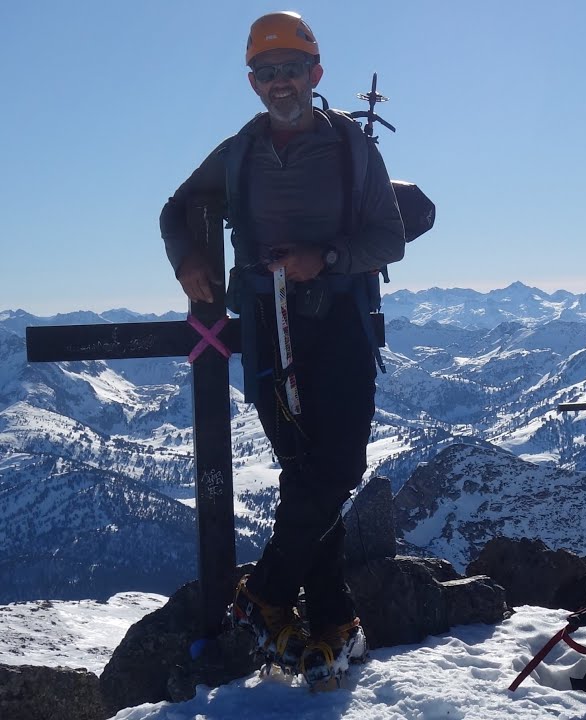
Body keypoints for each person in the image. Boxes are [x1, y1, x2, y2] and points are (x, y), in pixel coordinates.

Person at [159, 11, 406, 686]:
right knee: (305, 474)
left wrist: (323, 258)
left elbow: (389, 239)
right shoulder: (238, 151)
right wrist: (186, 261)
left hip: (340, 326)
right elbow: (176, 209)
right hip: (269, 329)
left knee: (338, 466)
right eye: (266, 73)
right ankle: (334, 620)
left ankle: (266, 591)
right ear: (252, 81)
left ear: (314, 74)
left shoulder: (353, 148)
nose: (279, 84)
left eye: (290, 70)